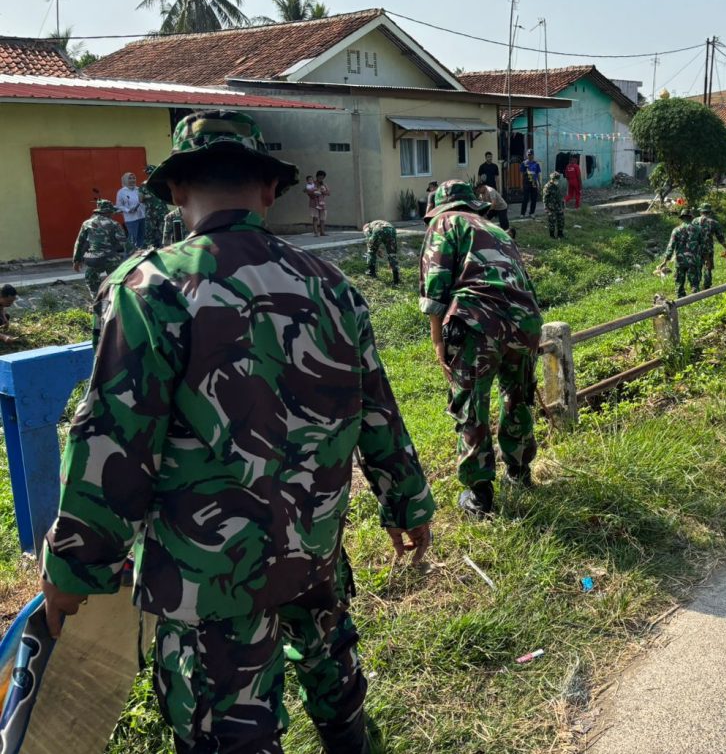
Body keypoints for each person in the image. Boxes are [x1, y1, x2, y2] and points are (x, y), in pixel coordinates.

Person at [41, 110, 435, 754]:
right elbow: (379, 410)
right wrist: (406, 502)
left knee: (227, 729)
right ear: (270, 189)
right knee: (331, 661)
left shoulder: (150, 290)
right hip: (313, 542)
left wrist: (74, 566)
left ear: (173, 191)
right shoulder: (333, 287)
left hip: (207, 572)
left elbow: (112, 440)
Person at [419, 180, 543, 518]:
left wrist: (437, 340)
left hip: (477, 323)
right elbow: (523, 280)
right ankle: (519, 472)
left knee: (472, 406)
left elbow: (436, 285)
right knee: (517, 397)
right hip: (525, 321)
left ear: (440, 207)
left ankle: (480, 495)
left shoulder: (445, 224)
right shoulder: (496, 228)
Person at [72, 199, 128, 296]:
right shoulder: (114, 224)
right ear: (109, 212)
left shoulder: (87, 223)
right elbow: (124, 243)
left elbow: (80, 243)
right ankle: (115, 300)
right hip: (112, 259)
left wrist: (76, 260)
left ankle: (97, 300)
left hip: (94, 259)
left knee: (91, 280)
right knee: (117, 283)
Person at [658, 209, 701, 298]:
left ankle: (680, 299)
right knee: (694, 282)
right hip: (693, 260)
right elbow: (703, 245)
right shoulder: (698, 229)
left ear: (681, 218)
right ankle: (695, 297)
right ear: (691, 217)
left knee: (679, 283)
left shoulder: (676, 230)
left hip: (680, 260)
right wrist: (705, 258)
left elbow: (670, 247)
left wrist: (665, 261)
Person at [692, 203, 726, 290]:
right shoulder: (714, 223)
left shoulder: (694, 221)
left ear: (700, 212)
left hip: (696, 249)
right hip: (708, 249)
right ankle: (707, 286)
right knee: (707, 266)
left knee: (697, 266)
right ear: (709, 212)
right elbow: (721, 238)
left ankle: (695, 285)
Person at [141, 165, 170, 248]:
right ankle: (165, 247)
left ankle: (150, 249)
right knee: (164, 230)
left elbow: (140, 199)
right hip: (162, 211)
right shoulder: (162, 183)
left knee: (150, 232)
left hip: (151, 212)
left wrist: (148, 196)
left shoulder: (144, 185)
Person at [116, 171, 147, 248]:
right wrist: (128, 210)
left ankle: (140, 254)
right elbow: (119, 206)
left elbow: (143, 201)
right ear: (125, 180)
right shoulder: (121, 192)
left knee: (142, 238)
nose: (132, 180)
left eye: (134, 178)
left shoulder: (139, 189)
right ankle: (129, 255)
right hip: (131, 219)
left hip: (142, 216)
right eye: (130, 178)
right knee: (132, 239)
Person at [363, 219, 400, 283]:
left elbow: (370, 242)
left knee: (371, 251)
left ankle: (371, 272)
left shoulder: (367, 227)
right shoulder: (376, 222)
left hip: (379, 229)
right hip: (391, 229)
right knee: (392, 254)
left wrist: (374, 249)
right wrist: (377, 249)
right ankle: (396, 279)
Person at [543, 169, 568, 239]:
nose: (557, 181)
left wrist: (563, 205)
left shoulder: (557, 186)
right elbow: (545, 198)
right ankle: (552, 236)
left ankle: (560, 234)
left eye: (557, 179)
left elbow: (561, 196)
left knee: (561, 219)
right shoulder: (547, 187)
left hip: (559, 206)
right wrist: (546, 208)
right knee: (552, 221)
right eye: (555, 179)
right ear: (552, 179)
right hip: (551, 207)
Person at [520, 149, 542, 217]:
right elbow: (521, 174)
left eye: (531, 155)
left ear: (533, 155)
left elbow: (538, 174)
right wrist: (521, 184)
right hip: (526, 183)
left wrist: (539, 183)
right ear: (527, 155)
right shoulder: (524, 163)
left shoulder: (536, 163)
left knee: (534, 199)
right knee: (525, 199)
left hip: (534, 183)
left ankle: (532, 213)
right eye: (529, 155)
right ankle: (522, 213)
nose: (530, 156)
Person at [308, 170, 330, 236]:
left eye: (323, 177)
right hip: (314, 203)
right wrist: (315, 192)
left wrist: (323, 192)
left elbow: (328, 193)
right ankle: (316, 232)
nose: (321, 179)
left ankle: (322, 232)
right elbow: (309, 193)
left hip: (322, 203)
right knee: (315, 218)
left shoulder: (324, 184)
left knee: (322, 218)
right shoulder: (312, 184)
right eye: (320, 177)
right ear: (317, 176)